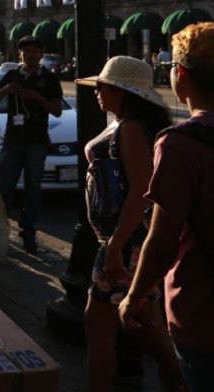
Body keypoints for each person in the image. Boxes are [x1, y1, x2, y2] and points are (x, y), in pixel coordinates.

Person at [72, 57, 183, 392]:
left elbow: (140, 190)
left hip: (125, 239)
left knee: (104, 323)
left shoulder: (132, 128)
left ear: (120, 91)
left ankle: (182, 377)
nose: (97, 93)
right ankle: (180, 377)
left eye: (102, 87)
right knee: (133, 321)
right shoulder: (125, 122)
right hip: (120, 238)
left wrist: (117, 245)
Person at [120, 23, 214, 391]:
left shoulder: (180, 145)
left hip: (202, 312)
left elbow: (161, 242)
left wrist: (134, 296)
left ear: (181, 76)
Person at [0, 35, 63, 254]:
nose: (30, 54)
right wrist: (3, 91)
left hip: (37, 142)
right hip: (12, 141)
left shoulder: (49, 79)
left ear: (41, 54)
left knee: (33, 188)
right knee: (5, 186)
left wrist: (37, 97)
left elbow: (57, 110)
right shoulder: (11, 76)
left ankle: (28, 231)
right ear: (20, 54)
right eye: (26, 51)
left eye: (34, 51)